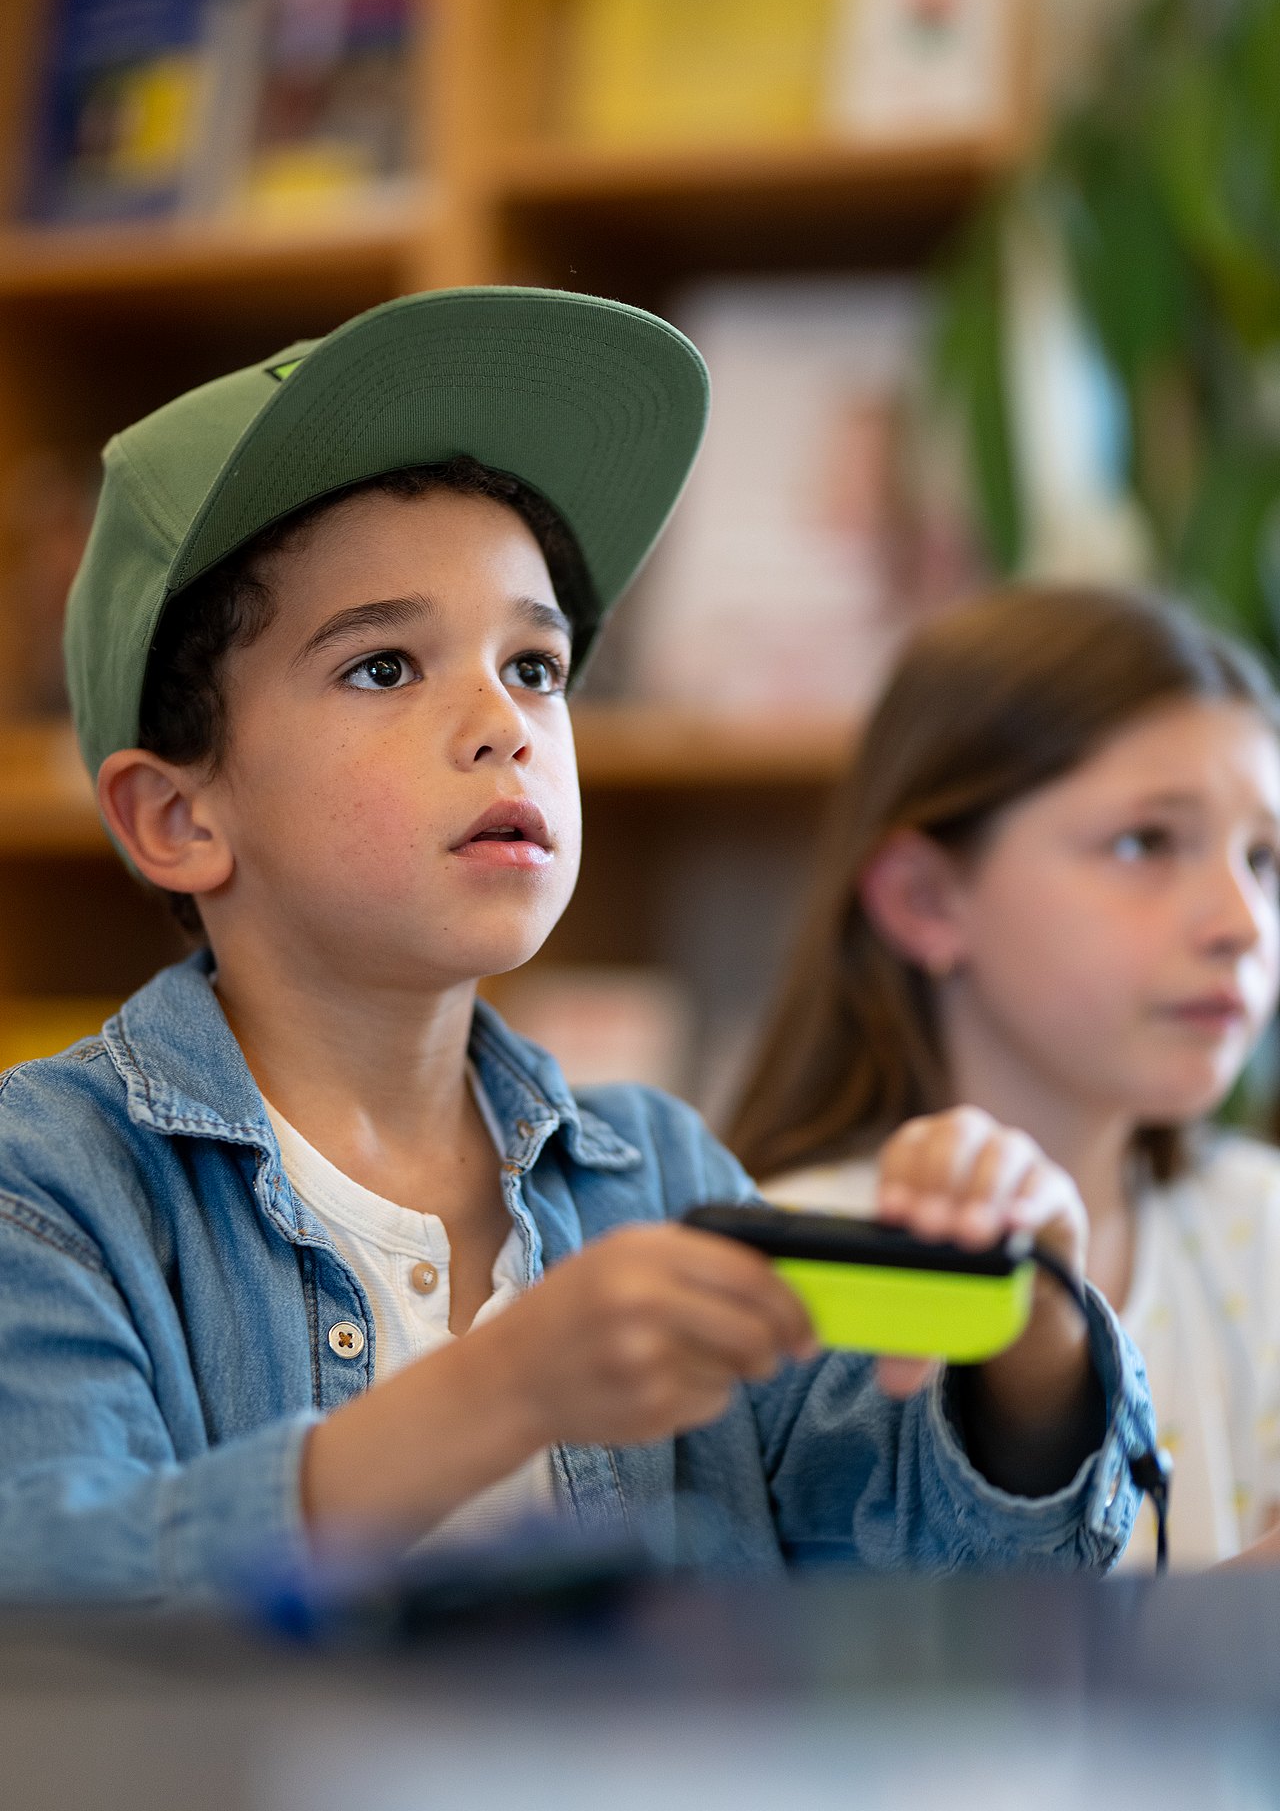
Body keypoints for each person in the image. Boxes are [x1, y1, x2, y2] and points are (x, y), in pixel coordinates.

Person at [0, 291, 1152, 1600]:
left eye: (536, 667)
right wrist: (500, 1388)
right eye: (384, 666)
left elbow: (943, 1582)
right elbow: (49, 1613)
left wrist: (1036, 1335)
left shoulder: (654, 1169)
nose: (505, 723)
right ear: (177, 815)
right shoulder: (47, 1186)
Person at [726, 583, 1280, 1569]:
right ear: (925, 898)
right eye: (1143, 842)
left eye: (1262, 859)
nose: (1239, 922)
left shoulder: (1260, 1227)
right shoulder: (788, 1285)